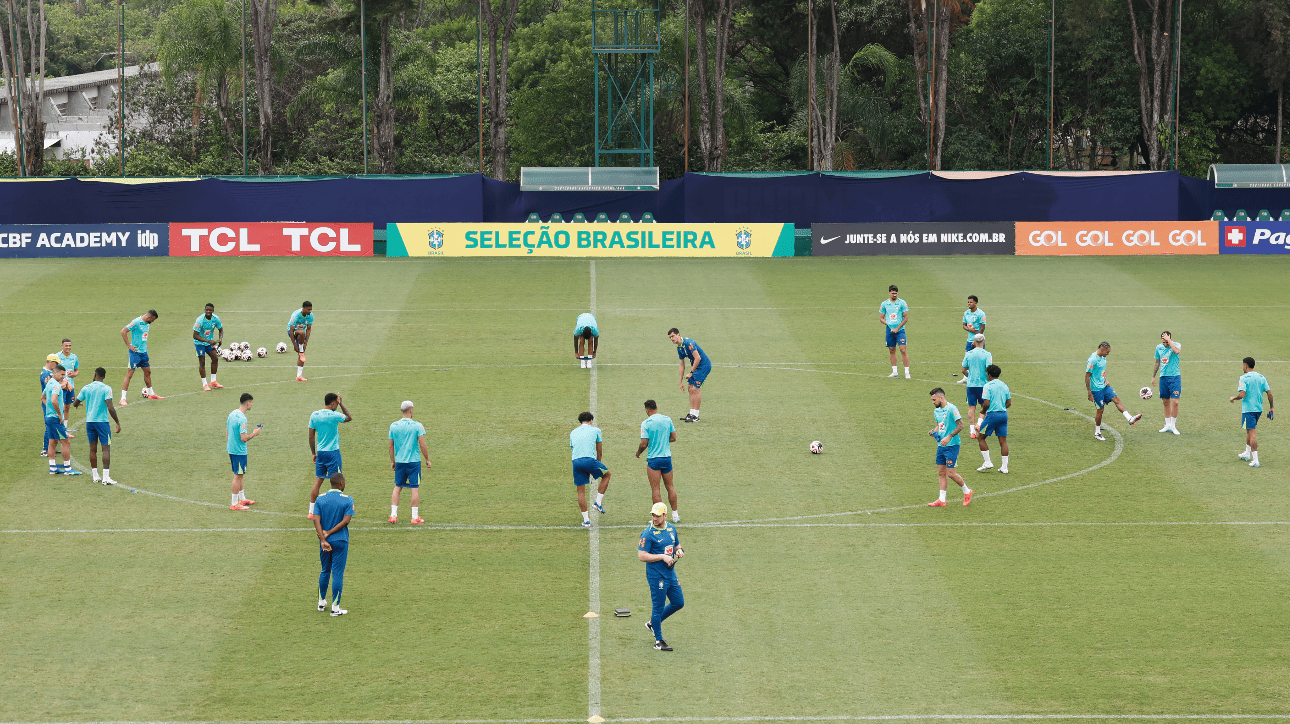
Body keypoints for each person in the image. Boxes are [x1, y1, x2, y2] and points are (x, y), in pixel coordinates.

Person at [638, 501, 684, 651]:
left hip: (670, 573)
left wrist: (679, 551)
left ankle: (652, 623)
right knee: (657, 607)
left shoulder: (671, 528)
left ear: (665, 515)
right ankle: (658, 641)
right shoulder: (648, 533)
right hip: (656, 575)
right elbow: (642, 556)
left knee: (678, 602)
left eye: (657, 516)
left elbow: (676, 544)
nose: (654, 518)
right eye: (653, 515)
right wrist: (662, 557)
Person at [314, 472, 354, 617]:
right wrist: (330, 532)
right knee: (337, 573)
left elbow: (316, 520)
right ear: (341, 483)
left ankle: (321, 602)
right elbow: (346, 520)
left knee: (325, 570)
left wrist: (323, 539)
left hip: (324, 542)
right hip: (340, 541)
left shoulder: (320, 499)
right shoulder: (347, 500)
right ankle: (335, 608)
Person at [308, 393, 352, 520]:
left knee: (318, 480)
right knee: (338, 481)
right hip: (333, 452)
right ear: (333, 403)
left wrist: (313, 453)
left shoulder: (314, 415)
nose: (337, 406)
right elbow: (349, 417)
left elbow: (311, 436)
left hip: (321, 452)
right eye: (336, 404)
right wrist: (342, 404)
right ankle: (338, 508)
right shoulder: (334, 415)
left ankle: (311, 511)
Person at [73, 367, 121, 485]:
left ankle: (95, 476)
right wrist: (117, 422)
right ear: (104, 376)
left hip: (90, 422)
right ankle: (105, 478)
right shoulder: (106, 388)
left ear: (95, 375)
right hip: (102, 423)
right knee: (105, 448)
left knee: (92, 449)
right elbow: (110, 407)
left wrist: (79, 404)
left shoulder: (86, 388)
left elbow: (75, 402)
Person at [1086, 342, 1142, 441]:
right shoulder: (1093, 360)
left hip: (1105, 386)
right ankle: (1097, 433)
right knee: (1100, 410)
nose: (1108, 354)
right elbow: (1087, 376)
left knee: (1116, 399)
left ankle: (1130, 418)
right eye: (1107, 352)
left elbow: (1101, 371)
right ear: (1102, 349)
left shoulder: (1103, 357)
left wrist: (1106, 380)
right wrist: (1089, 392)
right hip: (1096, 390)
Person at [637, 400, 680, 523]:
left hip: (654, 460)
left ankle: (659, 518)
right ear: (656, 407)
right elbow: (673, 437)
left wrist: (639, 452)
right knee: (670, 487)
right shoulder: (667, 419)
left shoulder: (646, 423)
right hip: (667, 458)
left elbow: (643, 443)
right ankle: (675, 515)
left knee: (656, 490)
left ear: (647, 410)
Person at [388, 400, 431, 525]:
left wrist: (392, 461)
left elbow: (391, 446)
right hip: (413, 462)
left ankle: (393, 515)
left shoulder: (394, 426)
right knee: (414, 488)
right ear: (411, 410)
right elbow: (422, 444)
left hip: (400, 461)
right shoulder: (417, 426)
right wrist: (427, 459)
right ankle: (414, 517)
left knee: (398, 486)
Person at [927, 387, 971, 507]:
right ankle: (942, 500)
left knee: (951, 474)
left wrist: (949, 436)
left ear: (941, 397)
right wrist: (934, 431)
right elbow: (939, 425)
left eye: (934, 399)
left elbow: (961, 425)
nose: (933, 402)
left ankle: (967, 492)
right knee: (941, 473)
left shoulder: (952, 408)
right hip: (941, 446)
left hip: (952, 446)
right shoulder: (937, 411)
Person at [570, 411, 612, 527]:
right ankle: (598, 502)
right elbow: (599, 451)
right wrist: (597, 465)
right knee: (607, 475)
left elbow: (573, 448)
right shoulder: (596, 430)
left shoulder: (573, 432)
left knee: (580, 491)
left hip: (576, 462)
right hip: (590, 460)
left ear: (580, 422)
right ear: (591, 421)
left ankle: (586, 520)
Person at [1231, 357, 1274, 468]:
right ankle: (1247, 453)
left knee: (1252, 433)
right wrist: (1271, 407)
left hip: (1248, 410)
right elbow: (1269, 393)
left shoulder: (1243, 378)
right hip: (1258, 409)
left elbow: (1242, 395)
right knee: (1249, 431)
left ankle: (1255, 460)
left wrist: (1233, 398)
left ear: (1245, 365)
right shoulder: (1261, 377)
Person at [43, 365, 80, 476]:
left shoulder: (49, 383)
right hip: (55, 419)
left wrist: (49, 408)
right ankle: (68, 469)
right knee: (66, 442)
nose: (64, 377)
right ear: (55, 373)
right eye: (62, 374)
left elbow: (43, 397)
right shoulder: (56, 386)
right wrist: (59, 414)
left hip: (49, 417)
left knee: (52, 442)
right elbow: (54, 400)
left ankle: (53, 468)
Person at [227, 392, 262, 511]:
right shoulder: (242, 419)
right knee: (237, 475)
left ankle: (242, 498)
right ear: (248, 403)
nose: (252, 404)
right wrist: (255, 433)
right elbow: (244, 438)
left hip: (232, 449)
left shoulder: (232, 414)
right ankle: (234, 503)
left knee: (240, 474)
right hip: (239, 451)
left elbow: (228, 431)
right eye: (251, 402)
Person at [667, 328, 711, 422]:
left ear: (678, 335)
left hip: (703, 366)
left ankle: (696, 416)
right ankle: (691, 414)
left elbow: (698, 358)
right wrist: (680, 380)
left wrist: (691, 372)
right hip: (696, 367)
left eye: (673, 336)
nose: (671, 338)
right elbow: (682, 365)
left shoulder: (688, 343)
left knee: (695, 388)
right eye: (670, 337)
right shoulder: (679, 348)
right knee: (690, 388)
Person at [120, 310, 162, 405]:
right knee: (129, 374)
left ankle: (151, 394)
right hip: (135, 353)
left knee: (148, 372)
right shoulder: (136, 322)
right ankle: (123, 398)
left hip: (144, 353)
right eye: (153, 319)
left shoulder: (147, 323)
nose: (153, 321)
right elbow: (123, 331)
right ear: (149, 317)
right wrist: (129, 346)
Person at [976, 364, 1010, 474]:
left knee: (980, 437)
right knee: (1003, 441)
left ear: (989, 375)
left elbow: (986, 403)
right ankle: (1004, 467)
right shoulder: (1004, 385)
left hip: (992, 415)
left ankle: (988, 462)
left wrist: (982, 411)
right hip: (1003, 415)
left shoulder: (988, 386)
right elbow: (1009, 403)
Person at [960, 334, 993, 437]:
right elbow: (989, 370)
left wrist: (968, 376)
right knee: (984, 407)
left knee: (971, 408)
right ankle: (979, 424)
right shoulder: (987, 354)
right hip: (983, 385)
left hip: (971, 385)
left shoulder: (969, 354)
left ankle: (972, 432)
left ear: (974, 342)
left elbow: (963, 370)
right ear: (984, 341)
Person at [1151, 331, 1182, 434]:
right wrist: (1153, 376)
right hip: (1163, 377)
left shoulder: (1176, 344)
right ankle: (1167, 425)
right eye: (1163, 341)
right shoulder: (1158, 347)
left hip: (1175, 377)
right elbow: (1157, 362)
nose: (1165, 344)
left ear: (1170, 339)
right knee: (1165, 401)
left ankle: (1173, 426)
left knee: (1175, 402)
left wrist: (1169, 342)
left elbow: (1177, 351)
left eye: (1166, 341)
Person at [879, 285, 910, 379]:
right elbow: (881, 318)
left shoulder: (902, 303)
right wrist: (888, 324)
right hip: (889, 331)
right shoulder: (884, 304)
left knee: (903, 350)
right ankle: (894, 371)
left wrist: (897, 328)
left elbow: (906, 317)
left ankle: (907, 372)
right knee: (891, 350)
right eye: (892, 293)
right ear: (889, 293)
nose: (894, 295)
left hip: (900, 330)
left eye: (896, 293)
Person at [193, 303, 225, 392]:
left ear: (213, 311)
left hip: (209, 343)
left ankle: (213, 381)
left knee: (215, 358)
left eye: (210, 310)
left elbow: (221, 329)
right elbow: (195, 335)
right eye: (206, 310)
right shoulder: (200, 320)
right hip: (199, 343)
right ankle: (205, 384)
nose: (208, 311)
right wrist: (208, 341)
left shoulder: (216, 319)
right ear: (205, 310)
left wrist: (220, 338)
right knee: (202, 362)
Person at [56, 338, 80, 428]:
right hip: (60, 387)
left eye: (70, 345)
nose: (68, 347)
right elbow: (53, 372)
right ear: (62, 346)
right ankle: (59, 427)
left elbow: (77, 370)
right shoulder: (57, 357)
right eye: (66, 345)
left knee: (67, 407)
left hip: (70, 387)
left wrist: (74, 374)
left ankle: (65, 428)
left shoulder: (74, 357)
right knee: (60, 407)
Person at [288, 302, 314, 381]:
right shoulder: (295, 315)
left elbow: (308, 329)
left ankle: (299, 375)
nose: (310, 311)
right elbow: (291, 331)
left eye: (311, 309)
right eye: (308, 309)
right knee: (301, 332)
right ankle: (301, 350)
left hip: (301, 334)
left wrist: (306, 342)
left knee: (301, 353)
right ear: (304, 308)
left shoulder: (311, 316)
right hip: (293, 331)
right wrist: (294, 346)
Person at [39, 354, 58, 455]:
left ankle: (52, 448)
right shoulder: (45, 374)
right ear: (51, 362)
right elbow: (50, 388)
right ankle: (45, 449)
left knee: (53, 426)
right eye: (56, 363)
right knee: (49, 426)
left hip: (51, 403)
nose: (57, 365)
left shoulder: (49, 372)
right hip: (48, 403)